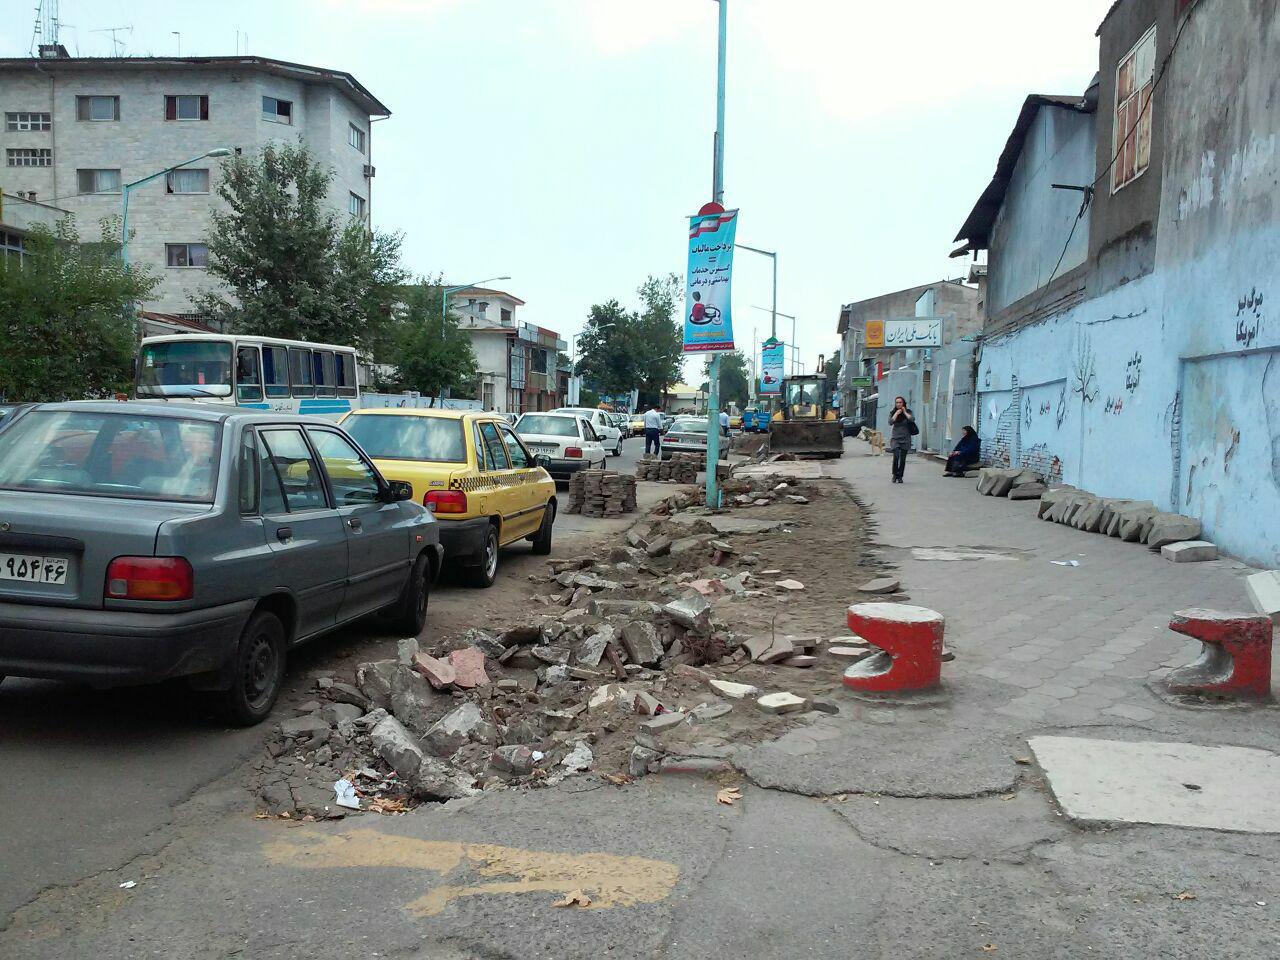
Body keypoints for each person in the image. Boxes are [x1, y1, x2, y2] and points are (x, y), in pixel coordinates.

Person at [888, 395, 915, 483]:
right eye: (897, 402)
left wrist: (904, 412)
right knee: (896, 456)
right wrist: (896, 413)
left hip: (906, 438)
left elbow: (911, 419)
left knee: (902, 459)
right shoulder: (893, 412)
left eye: (900, 402)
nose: (898, 404)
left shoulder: (908, 411)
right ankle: (894, 474)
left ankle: (900, 476)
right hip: (895, 437)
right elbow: (890, 422)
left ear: (903, 403)